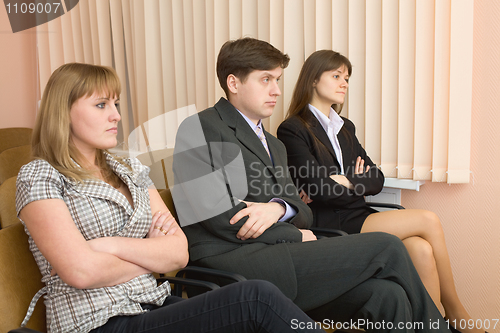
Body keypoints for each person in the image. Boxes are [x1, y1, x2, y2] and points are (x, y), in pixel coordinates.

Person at [15, 62, 326, 333]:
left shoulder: (129, 168)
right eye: (101, 105)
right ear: (63, 112)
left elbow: (178, 254)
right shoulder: (40, 175)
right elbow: (80, 271)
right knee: (256, 299)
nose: (116, 116)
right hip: (98, 321)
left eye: (116, 104)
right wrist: (150, 256)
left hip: (154, 304)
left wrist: (106, 247)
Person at [173, 37, 451, 333]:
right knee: (388, 246)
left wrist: (277, 209)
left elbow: (302, 213)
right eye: (265, 79)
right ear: (233, 82)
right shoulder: (200, 128)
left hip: (278, 257)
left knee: (386, 295)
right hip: (230, 263)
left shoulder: (276, 146)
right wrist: (291, 232)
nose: (276, 90)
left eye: (277, 79)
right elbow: (220, 217)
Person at [277, 49, 480, 333]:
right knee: (429, 220)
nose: (344, 83)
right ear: (313, 79)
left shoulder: (345, 128)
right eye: (336, 76)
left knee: (421, 249)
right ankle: (455, 315)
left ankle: (429, 329)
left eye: (346, 77)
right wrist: (345, 182)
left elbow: (377, 179)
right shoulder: (293, 129)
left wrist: (344, 180)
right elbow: (319, 189)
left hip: (357, 214)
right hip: (330, 222)